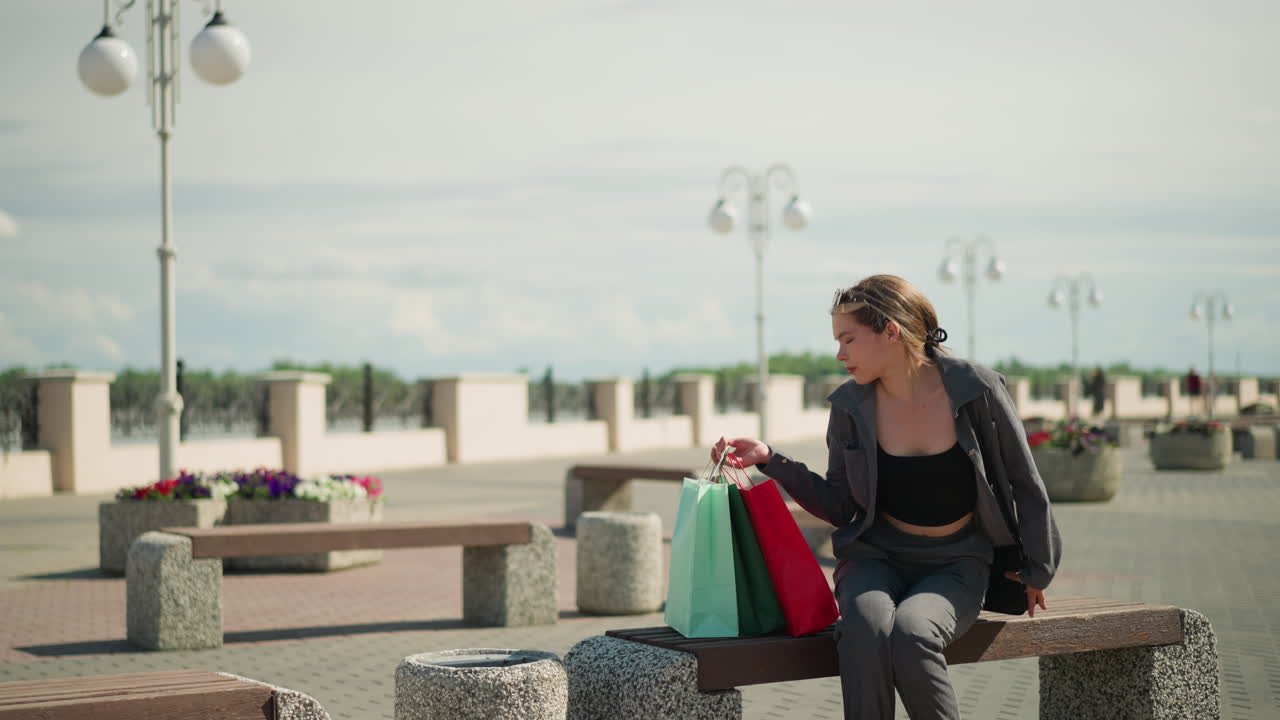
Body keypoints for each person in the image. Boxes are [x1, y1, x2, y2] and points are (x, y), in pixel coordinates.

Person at [713, 274, 1061, 720]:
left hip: (957, 561)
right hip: (875, 556)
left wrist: (1038, 569)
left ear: (891, 332)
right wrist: (770, 459)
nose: (840, 354)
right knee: (866, 627)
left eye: (849, 339)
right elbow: (841, 505)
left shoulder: (977, 389)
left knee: (914, 632)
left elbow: (1023, 481)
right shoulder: (849, 407)